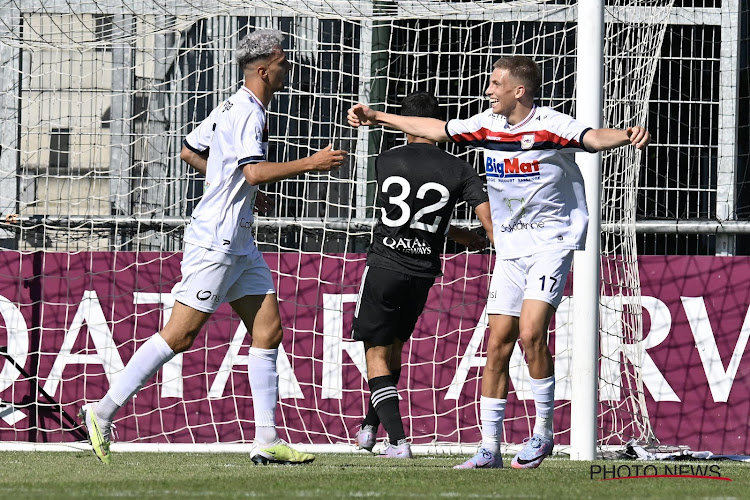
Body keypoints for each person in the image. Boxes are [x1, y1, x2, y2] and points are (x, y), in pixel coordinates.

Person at [348, 56, 650, 469]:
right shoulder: (487, 125)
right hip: (510, 249)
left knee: (530, 333)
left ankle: (543, 433)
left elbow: (592, 138)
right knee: (498, 343)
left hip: (550, 242)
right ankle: (489, 447)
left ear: (518, 91)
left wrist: (624, 135)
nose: (488, 90)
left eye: (495, 84)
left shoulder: (550, 125)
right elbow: (436, 129)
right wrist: (378, 116)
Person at [78, 29, 346, 465]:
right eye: (282, 61)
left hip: (240, 238)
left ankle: (265, 440)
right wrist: (310, 163)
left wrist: (228, 179)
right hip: (217, 240)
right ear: (263, 70)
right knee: (180, 335)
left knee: (268, 330)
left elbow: (190, 151)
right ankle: (103, 411)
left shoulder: (231, 105)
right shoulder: (245, 113)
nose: (287, 66)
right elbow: (255, 173)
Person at [352, 92, 493, 458]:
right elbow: (448, 220)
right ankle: (370, 427)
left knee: (375, 353)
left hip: (386, 265)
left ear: (405, 121)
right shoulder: (460, 170)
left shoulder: (386, 160)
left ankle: (398, 441)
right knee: (395, 348)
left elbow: (408, 215)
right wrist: (477, 239)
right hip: (423, 272)